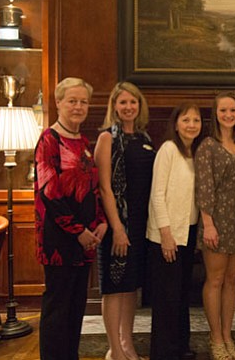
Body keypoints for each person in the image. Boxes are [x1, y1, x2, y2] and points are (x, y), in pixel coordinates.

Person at [34, 77, 107, 360]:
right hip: (58, 240)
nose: (78, 106)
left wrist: (100, 221)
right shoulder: (49, 140)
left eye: (83, 101)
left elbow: (92, 187)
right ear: (59, 102)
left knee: (75, 308)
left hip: (85, 240)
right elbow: (49, 192)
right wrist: (78, 231)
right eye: (72, 101)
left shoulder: (83, 141)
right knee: (57, 309)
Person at [95, 82, 155, 360]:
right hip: (117, 226)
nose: (129, 107)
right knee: (114, 289)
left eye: (133, 102)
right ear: (114, 107)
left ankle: (127, 345)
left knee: (131, 288)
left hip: (141, 225)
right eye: (123, 102)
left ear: (139, 105)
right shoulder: (107, 138)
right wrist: (117, 228)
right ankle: (115, 351)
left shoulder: (144, 137)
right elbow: (105, 188)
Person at [195, 93, 235, 360]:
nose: (228, 115)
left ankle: (228, 335)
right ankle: (215, 337)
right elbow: (204, 187)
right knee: (216, 280)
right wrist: (208, 224)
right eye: (223, 110)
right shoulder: (207, 146)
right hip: (216, 222)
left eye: (233, 110)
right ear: (215, 114)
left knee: (232, 280)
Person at [147, 102, 203, 360]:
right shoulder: (168, 149)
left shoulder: (194, 153)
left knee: (181, 296)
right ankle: (164, 353)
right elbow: (157, 195)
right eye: (186, 120)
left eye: (196, 120)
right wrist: (166, 235)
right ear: (176, 123)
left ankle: (181, 346)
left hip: (187, 233)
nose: (191, 125)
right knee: (166, 300)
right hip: (165, 236)